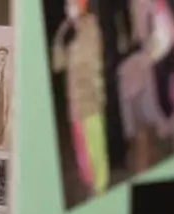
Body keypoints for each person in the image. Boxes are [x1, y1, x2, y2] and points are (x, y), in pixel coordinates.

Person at [50, 0, 109, 197]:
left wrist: (75, 34)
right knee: (81, 147)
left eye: (73, 3)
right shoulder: (67, 29)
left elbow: (91, 60)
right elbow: (58, 65)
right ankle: (89, 184)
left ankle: (101, 188)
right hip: (74, 101)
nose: (69, 6)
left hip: (90, 97)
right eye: (67, 4)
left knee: (95, 144)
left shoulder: (91, 26)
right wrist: (61, 38)